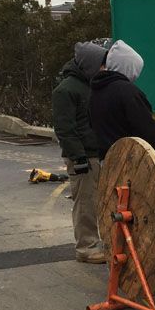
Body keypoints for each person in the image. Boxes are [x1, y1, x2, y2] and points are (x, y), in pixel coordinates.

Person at [52, 41, 108, 264]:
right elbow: (64, 129)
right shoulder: (65, 90)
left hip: (96, 152)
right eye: (101, 64)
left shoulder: (90, 85)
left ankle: (97, 240)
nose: (104, 68)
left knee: (97, 201)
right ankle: (86, 246)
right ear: (91, 65)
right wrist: (78, 157)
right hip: (83, 156)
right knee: (85, 202)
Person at [89, 40, 155, 160]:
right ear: (129, 68)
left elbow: (91, 124)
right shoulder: (129, 92)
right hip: (131, 159)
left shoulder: (96, 90)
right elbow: (145, 125)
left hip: (106, 158)